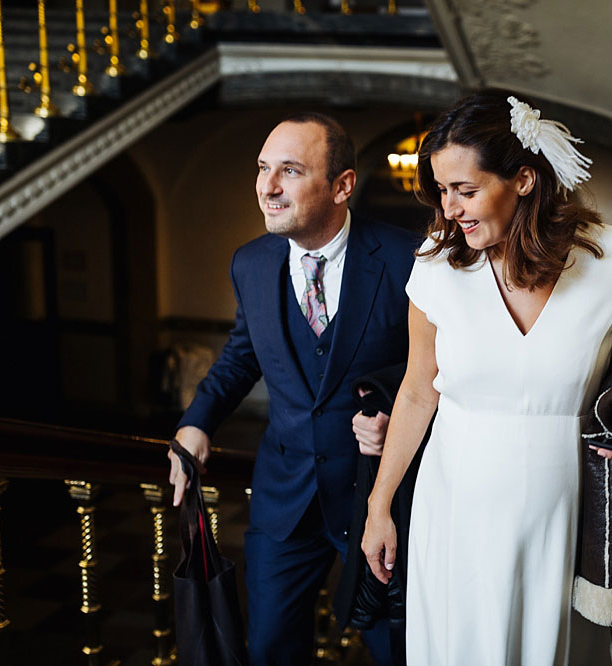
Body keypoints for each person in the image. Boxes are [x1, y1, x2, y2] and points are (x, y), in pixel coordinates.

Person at [361, 90, 612, 666]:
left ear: (524, 179)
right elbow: (417, 388)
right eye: (442, 191)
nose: (449, 209)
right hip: (455, 504)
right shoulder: (435, 261)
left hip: (570, 503)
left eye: (466, 190)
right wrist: (380, 507)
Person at [167, 112, 417, 666]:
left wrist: (393, 413)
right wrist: (197, 420)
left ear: (342, 185)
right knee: (273, 651)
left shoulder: (405, 259)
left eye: (290, 170)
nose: (268, 186)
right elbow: (243, 353)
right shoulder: (251, 264)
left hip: (379, 501)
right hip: (284, 500)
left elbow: (441, 366)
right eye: (262, 168)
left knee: (399, 650)